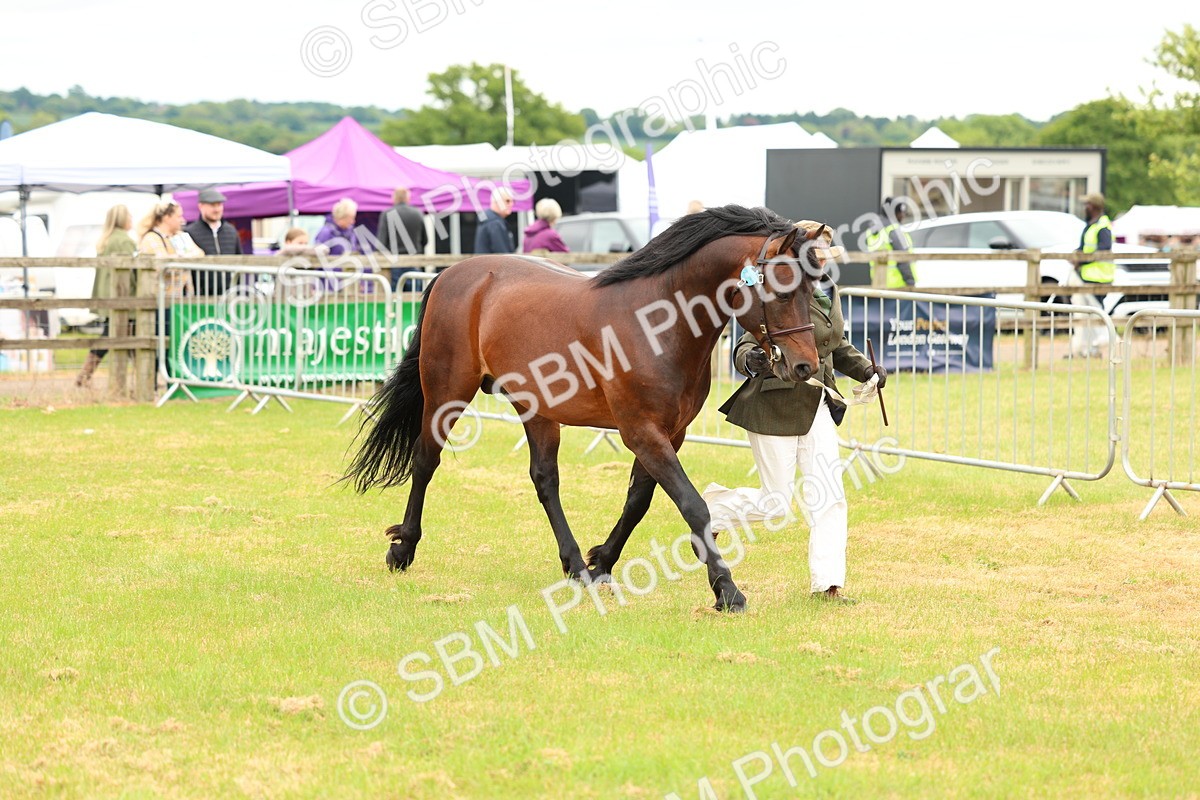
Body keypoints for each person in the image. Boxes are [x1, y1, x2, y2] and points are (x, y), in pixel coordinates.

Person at [705, 221, 887, 604]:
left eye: (826, 255)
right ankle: (713, 510)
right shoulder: (778, 289)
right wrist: (751, 360)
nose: (822, 261)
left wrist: (868, 370)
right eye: (815, 255)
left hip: (817, 404)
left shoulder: (828, 292)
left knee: (831, 495)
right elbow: (745, 344)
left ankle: (828, 584)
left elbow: (835, 346)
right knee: (775, 505)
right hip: (773, 405)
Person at [76, 205, 136, 387]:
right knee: (122, 336)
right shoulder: (124, 241)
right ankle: (144, 379)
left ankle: (85, 375)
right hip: (124, 296)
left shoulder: (105, 240)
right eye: (129, 216)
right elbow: (131, 272)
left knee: (119, 335)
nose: (132, 220)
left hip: (107, 294)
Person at [1068, 192, 1115, 358]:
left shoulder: (1102, 226)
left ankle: (1100, 344)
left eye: (1087, 204)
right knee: (1086, 313)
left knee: (1096, 312)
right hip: (1086, 276)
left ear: (1094, 206)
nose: (1084, 207)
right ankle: (1088, 349)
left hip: (1099, 277)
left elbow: (1103, 249)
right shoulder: (1090, 225)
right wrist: (1076, 255)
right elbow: (1085, 247)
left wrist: (1082, 261)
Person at [184, 188, 242, 297]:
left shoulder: (231, 231)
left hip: (230, 294)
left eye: (219, 205)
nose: (217, 209)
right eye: (212, 205)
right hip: (201, 297)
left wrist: (238, 291)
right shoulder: (189, 232)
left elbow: (240, 260)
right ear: (201, 206)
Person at [376, 187, 428, 289]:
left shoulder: (386, 214)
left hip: (394, 264)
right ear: (408, 199)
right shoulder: (418, 213)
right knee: (414, 296)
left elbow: (381, 244)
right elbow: (425, 240)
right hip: (414, 261)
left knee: (395, 296)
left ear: (394, 199)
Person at [865, 197, 915, 288]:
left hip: (878, 283)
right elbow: (903, 258)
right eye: (901, 212)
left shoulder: (872, 230)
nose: (903, 216)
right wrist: (910, 281)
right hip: (898, 284)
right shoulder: (893, 230)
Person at [474, 189, 515, 254]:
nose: (511, 204)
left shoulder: (489, 220)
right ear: (497, 202)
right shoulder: (495, 223)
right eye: (507, 201)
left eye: (513, 201)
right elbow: (502, 254)